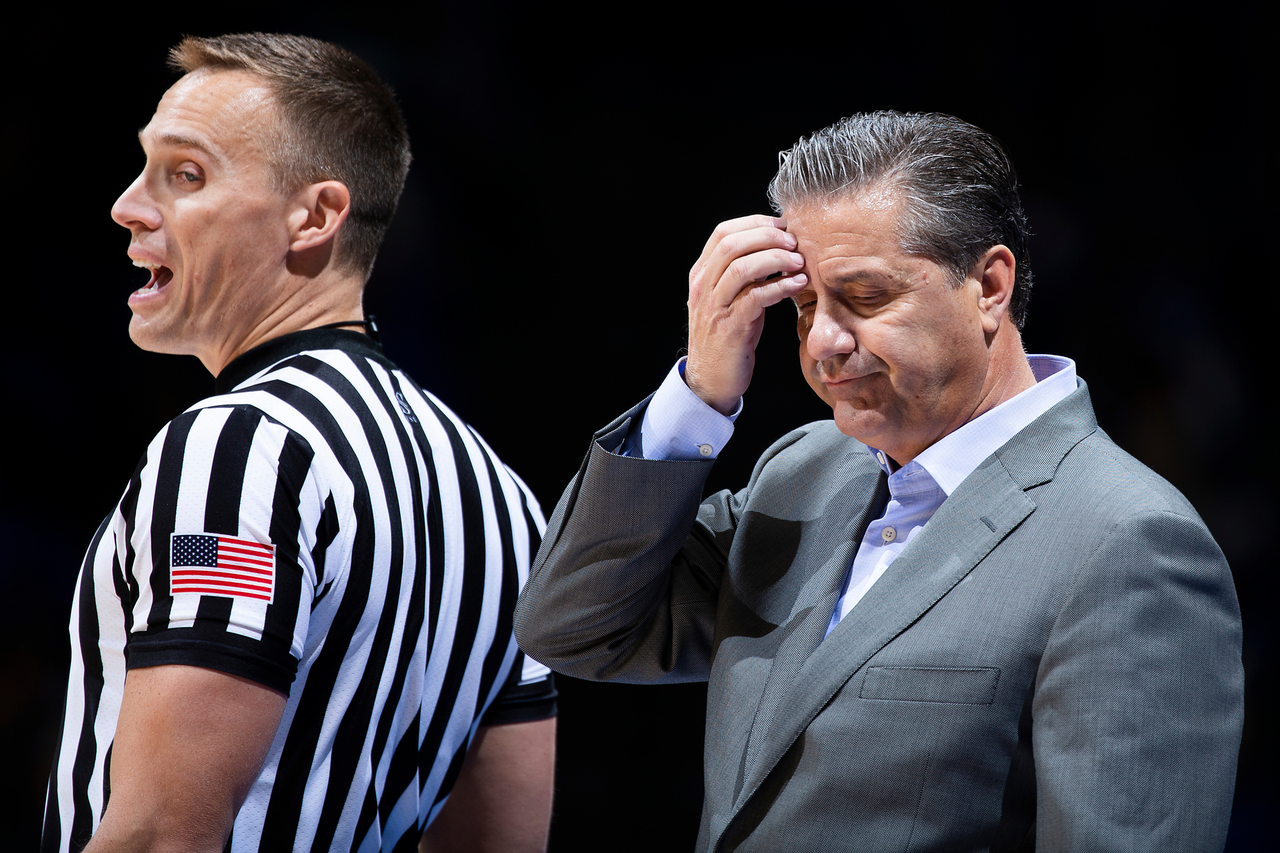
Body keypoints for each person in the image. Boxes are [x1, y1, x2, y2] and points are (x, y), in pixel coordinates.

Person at [514, 111, 1242, 852]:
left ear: (989, 285)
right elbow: (576, 628)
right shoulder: (800, 471)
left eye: (864, 297)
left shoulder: (1129, 540)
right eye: (802, 308)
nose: (824, 343)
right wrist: (698, 395)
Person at [42, 33, 555, 853]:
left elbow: (164, 835)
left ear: (314, 215)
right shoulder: (501, 497)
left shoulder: (241, 447)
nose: (128, 206)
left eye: (185, 175)